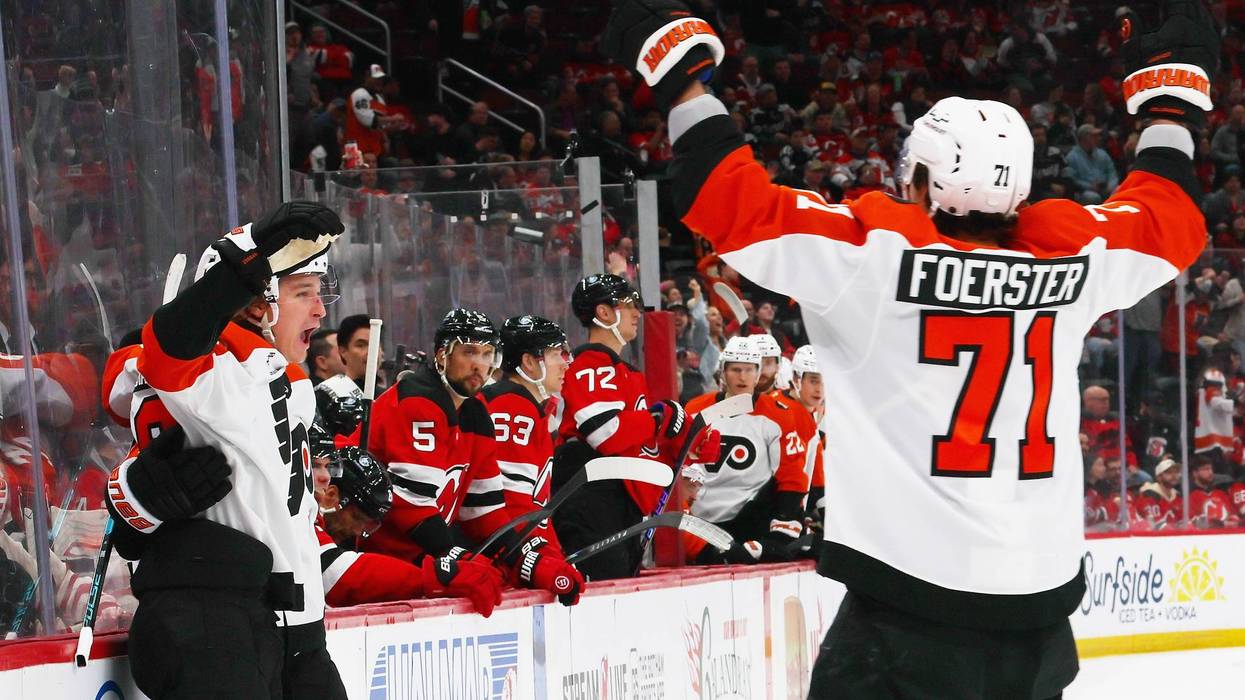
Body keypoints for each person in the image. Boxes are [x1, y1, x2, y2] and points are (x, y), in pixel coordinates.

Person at [602, 0, 1214, 695]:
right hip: (1039, 612)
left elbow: (723, 198)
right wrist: (1169, 105)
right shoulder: (1071, 260)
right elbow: (1169, 214)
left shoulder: (872, 257)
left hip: (909, 608)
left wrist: (684, 83)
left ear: (919, 179)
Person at [111, 201, 350, 699]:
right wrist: (248, 251)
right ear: (259, 304)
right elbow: (164, 351)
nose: (322, 309)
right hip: (221, 629)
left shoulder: (290, 384)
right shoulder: (223, 371)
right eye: (304, 292)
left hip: (295, 631)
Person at [360, 309, 580, 604]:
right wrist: (457, 558)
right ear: (442, 356)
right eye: (469, 352)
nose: (480, 364)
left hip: (416, 562)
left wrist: (526, 562)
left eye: (488, 353)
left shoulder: (476, 414)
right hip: (376, 558)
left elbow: (484, 510)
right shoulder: (418, 400)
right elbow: (411, 507)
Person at [552, 273, 716, 580]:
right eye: (630, 304)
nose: (637, 312)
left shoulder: (622, 371)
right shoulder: (591, 364)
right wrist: (659, 419)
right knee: (601, 596)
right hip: (591, 498)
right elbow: (607, 435)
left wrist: (686, 439)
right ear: (604, 313)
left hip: (619, 503)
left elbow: (637, 441)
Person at [308, 423, 503, 612]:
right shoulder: (293, 511)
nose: (325, 477)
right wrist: (434, 575)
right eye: (316, 465)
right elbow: (334, 572)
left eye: (327, 466)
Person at [478, 315, 585, 602]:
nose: (566, 362)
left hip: (505, 556)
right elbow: (513, 505)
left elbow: (534, 507)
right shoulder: (513, 408)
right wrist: (538, 562)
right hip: (495, 561)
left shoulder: (527, 408)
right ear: (528, 362)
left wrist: (553, 556)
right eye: (554, 353)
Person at [684, 336, 808, 563]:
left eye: (749, 370)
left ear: (758, 372)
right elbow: (682, 472)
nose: (743, 377)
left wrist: (781, 526)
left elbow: (791, 476)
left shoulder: (777, 413)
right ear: (723, 372)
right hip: (702, 521)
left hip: (751, 520)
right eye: (736, 369)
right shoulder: (695, 409)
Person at [336, 313, 383, 391]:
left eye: (376, 345)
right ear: (343, 351)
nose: (371, 352)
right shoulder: (326, 396)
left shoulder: (389, 398)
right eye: (361, 345)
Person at [1137, 457, 1183, 529]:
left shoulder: (1177, 495)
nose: (1174, 476)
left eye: (1176, 472)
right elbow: (1155, 524)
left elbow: (1183, 521)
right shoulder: (1149, 494)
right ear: (1159, 477)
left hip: (1173, 536)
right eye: (1169, 472)